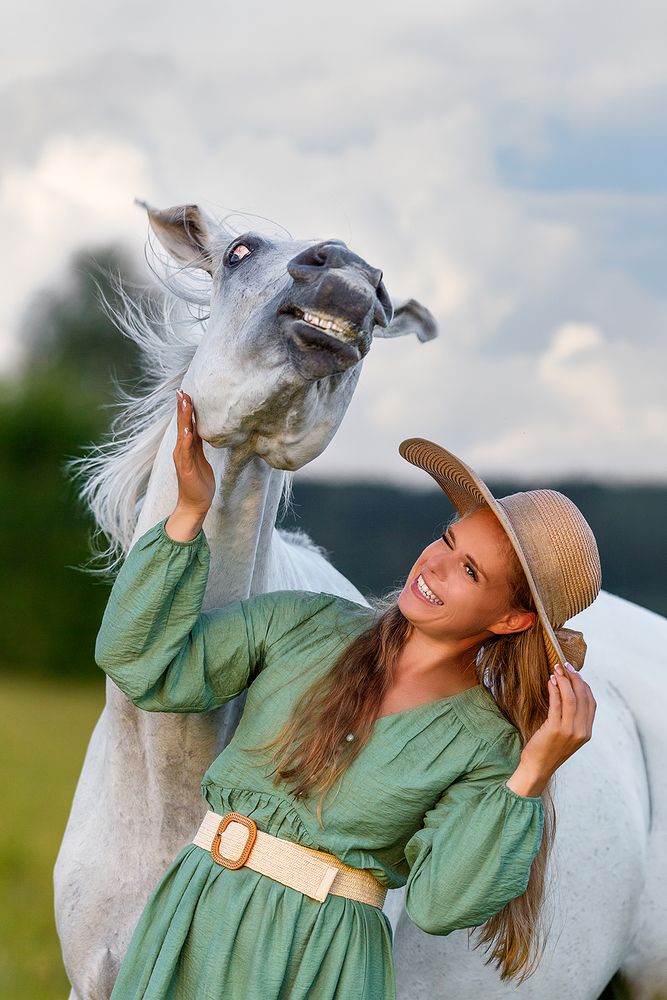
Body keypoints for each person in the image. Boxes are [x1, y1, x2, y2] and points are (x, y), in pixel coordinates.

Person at [95, 388, 600, 999]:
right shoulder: (302, 624)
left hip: (322, 962)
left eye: (470, 571)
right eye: (448, 541)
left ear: (510, 620)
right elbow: (141, 662)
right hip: (197, 915)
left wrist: (533, 773)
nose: (435, 567)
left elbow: (441, 904)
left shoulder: (487, 748)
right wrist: (187, 513)